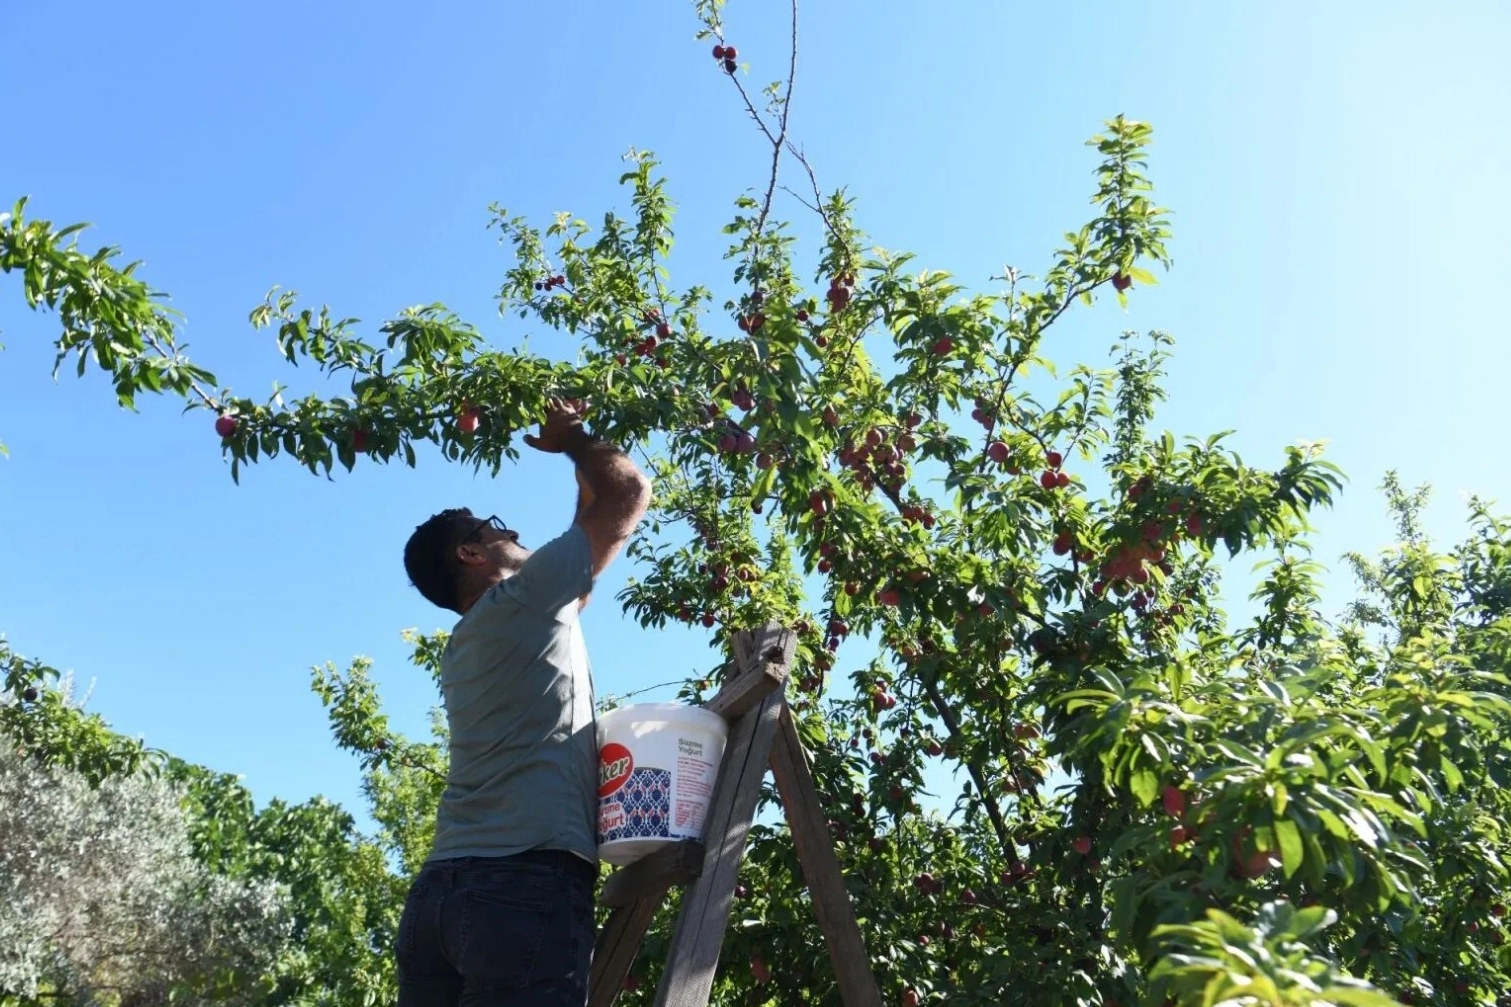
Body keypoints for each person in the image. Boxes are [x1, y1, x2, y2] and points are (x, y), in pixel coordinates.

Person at [395, 398, 651, 1007]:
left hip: (438, 900)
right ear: (472, 553)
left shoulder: (472, 640)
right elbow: (630, 494)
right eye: (496, 527)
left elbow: (582, 563)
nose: (512, 532)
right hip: (522, 885)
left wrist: (576, 467)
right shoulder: (524, 602)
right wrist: (576, 441)